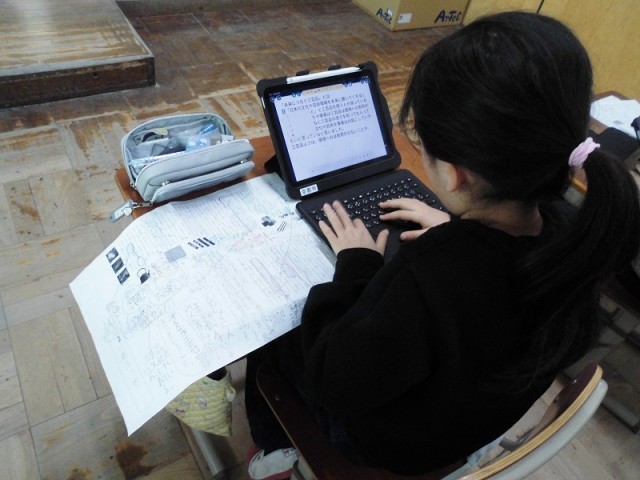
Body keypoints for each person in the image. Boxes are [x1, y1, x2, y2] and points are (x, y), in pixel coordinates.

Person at [244, 11, 640, 479]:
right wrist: (454, 227)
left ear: (453, 175)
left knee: (276, 332)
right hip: (464, 426)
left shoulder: (429, 275)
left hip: (390, 448)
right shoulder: (577, 236)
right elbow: (480, 296)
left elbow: (334, 383)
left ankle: (274, 449)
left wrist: (357, 263)